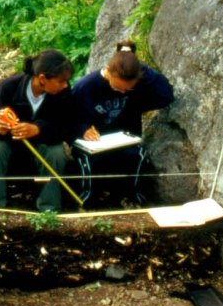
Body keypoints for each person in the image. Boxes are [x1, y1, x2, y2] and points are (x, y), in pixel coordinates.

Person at [71, 39, 174, 205]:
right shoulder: (86, 86)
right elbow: (68, 115)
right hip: (94, 140)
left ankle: (132, 198)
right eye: (117, 88)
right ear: (109, 73)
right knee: (92, 162)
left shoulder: (138, 82)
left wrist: (142, 70)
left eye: (128, 89)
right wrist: (82, 129)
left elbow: (166, 96)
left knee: (137, 157)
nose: (123, 92)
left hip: (125, 137)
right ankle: (87, 202)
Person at [0, 49, 76, 212]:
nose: (65, 85)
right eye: (61, 81)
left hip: (42, 144)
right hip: (9, 144)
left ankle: (49, 207)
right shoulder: (9, 87)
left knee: (56, 153)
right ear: (42, 78)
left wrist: (39, 129)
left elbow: (67, 126)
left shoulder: (62, 94)